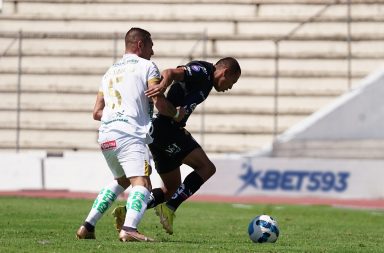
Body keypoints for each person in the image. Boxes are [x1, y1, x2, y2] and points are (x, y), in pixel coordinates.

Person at [112, 57, 241, 235]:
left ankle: (127, 212)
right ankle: (170, 208)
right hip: (167, 129)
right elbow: (170, 72)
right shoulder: (203, 72)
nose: (230, 87)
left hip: (159, 132)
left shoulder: (207, 80)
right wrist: (161, 87)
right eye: (232, 81)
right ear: (225, 72)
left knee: (171, 188)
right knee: (207, 168)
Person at [75, 27, 180, 242]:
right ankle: (129, 229)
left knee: (121, 180)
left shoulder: (110, 71)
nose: (153, 50)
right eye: (151, 45)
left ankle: (87, 226)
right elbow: (159, 103)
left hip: (106, 135)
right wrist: (176, 114)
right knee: (142, 183)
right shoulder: (148, 67)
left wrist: (119, 113)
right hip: (130, 135)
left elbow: (97, 112)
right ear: (140, 45)